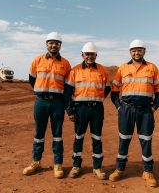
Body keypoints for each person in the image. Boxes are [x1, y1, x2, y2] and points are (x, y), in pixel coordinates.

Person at [109, 39, 159, 187]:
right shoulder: (122, 68)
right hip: (126, 109)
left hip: (146, 110)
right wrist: (119, 107)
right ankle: (119, 169)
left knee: (146, 140)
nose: (136, 52)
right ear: (130, 52)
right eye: (134, 50)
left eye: (139, 50)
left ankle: (148, 171)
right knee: (124, 139)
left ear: (144, 52)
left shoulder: (152, 68)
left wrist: (153, 108)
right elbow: (114, 92)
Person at [22, 32, 71, 178]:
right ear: (46, 44)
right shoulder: (37, 61)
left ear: (60, 45)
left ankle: (58, 164)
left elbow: (68, 86)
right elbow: (32, 79)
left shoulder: (65, 64)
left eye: (56, 43)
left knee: (57, 134)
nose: (53, 45)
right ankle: (36, 162)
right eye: (51, 42)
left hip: (57, 102)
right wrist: (41, 91)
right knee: (39, 133)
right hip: (41, 102)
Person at [64, 42, 111, 180]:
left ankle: (97, 167)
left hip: (97, 109)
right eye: (87, 54)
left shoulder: (102, 70)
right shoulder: (75, 70)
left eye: (92, 54)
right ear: (82, 55)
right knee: (79, 138)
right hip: (80, 109)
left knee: (97, 138)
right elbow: (67, 92)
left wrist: (99, 99)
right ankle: (76, 166)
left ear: (96, 55)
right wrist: (70, 110)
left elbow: (107, 88)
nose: (90, 56)